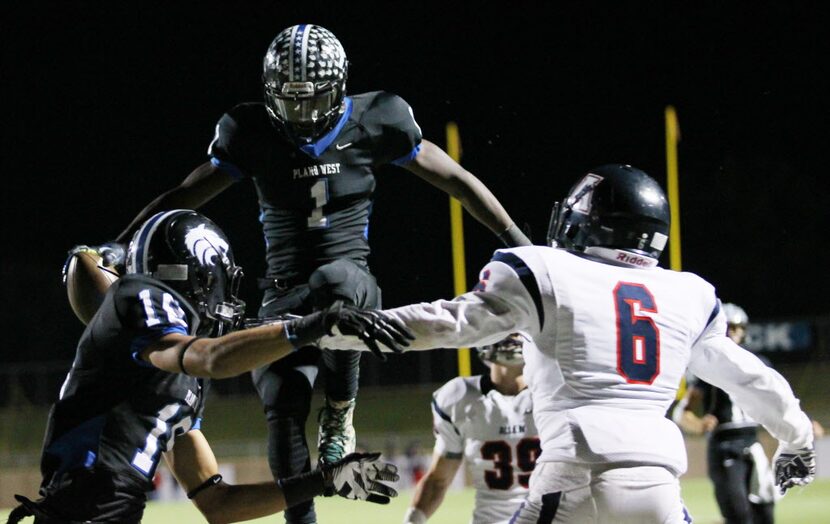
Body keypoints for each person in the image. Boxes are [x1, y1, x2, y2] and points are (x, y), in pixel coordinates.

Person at [106, 22, 530, 524]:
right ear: (270, 97)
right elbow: (184, 193)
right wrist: (122, 241)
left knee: (336, 282)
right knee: (282, 408)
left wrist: (520, 245)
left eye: (313, 100)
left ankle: (340, 412)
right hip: (283, 295)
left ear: (340, 87)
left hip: (353, 287)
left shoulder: (378, 118)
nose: (303, 113)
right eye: (290, 101)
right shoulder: (250, 130)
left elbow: (456, 180)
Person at [318, 164, 817, 523]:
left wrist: (328, 329)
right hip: (660, 484)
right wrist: (796, 436)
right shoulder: (687, 293)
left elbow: (447, 323)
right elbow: (749, 377)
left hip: (575, 473)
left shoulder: (547, 271)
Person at [7, 210, 409, 524]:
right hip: (83, 510)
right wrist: (311, 326)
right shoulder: (141, 298)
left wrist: (324, 481)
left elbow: (218, 504)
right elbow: (210, 358)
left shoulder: (172, 376)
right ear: (197, 275)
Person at [673, 303, 825, 524]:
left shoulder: (757, 363)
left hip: (752, 444)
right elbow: (682, 412)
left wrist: (804, 424)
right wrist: (698, 424)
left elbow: (778, 399)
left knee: (765, 511)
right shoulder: (706, 366)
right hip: (724, 447)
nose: (734, 333)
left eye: (738, 328)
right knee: (738, 513)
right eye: (730, 327)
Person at [403, 333, 539, 524]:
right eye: (504, 331)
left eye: (516, 331)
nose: (511, 338)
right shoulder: (460, 397)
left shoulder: (555, 393)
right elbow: (438, 481)